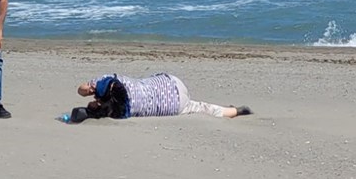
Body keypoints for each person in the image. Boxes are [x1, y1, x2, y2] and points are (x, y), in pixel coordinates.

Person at [65, 72, 252, 123]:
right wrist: (92, 89)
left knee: (199, 107)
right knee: (148, 84)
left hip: (174, 106)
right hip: (170, 83)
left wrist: (94, 107)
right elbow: (83, 89)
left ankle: (233, 111)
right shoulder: (114, 82)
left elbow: (84, 91)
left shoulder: (118, 113)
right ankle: (234, 110)